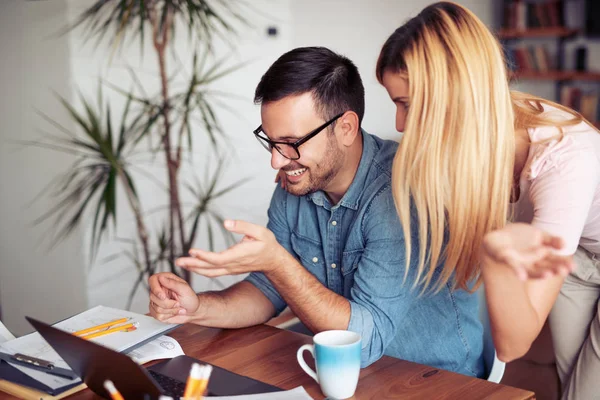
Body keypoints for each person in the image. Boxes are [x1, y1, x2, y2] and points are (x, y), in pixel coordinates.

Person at [148, 46, 484, 376]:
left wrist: (278, 262)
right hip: (341, 377)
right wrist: (196, 306)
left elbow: (362, 342)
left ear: (346, 128)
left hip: (433, 381)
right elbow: (267, 290)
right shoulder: (297, 185)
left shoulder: (401, 193)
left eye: (292, 143)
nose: (277, 161)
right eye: (272, 141)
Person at [376, 2, 600, 398]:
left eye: (406, 104)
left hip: (580, 248)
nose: (400, 125)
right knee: (556, 377)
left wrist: (495, 258)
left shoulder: (565, 159)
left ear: (456, 94)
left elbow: (514, 343)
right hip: (575, 255)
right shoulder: (471, 139)